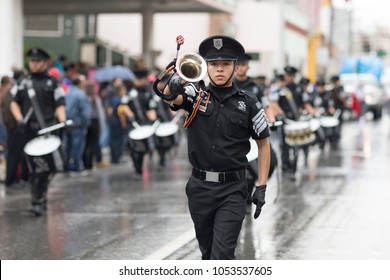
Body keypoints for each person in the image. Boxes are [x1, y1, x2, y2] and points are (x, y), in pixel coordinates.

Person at [159, 35, 270, 260]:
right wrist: (176, 82)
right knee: (207, 254)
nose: (219, 70)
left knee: (222, 256)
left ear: (234, 67)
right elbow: (172, 98)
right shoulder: (194, 95)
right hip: (199, 189)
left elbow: (264, 144)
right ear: (206, 67)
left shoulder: (249, 103)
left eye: (226, 64)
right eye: (214, 64)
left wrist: (261, 185)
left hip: (233, 190)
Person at [10, 47, 66, 216]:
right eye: (32, 61)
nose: (33, 64)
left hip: (48, 131)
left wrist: (62, 120)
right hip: (29, 131)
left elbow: (60, 104)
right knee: (34, 169)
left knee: (48, 168)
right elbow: (14, 103)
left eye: (37, 61)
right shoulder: (22, 83)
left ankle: (39, 199)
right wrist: (19, 119)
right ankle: (38, 201)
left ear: (45, 63)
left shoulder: (53, 82)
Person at [234, 53, 278, 214]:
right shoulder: (229, 85)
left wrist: (271, 121)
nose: (240, 68)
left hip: (255, 132)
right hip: (237, 134)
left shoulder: (256, 87)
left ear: (248, 67)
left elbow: (266, 107)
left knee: (271, 161)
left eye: (244, 65)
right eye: (237, 64)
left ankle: (256, 185)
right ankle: (243, 196)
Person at [63, 75, 91, 173]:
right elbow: (85, 112)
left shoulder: (67, 92)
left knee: (67, 146)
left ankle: (66, 166)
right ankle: (76, 166)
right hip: (78, 124)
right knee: (77, 147)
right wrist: (86, 122)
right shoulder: (81, 94)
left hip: (68, 123)